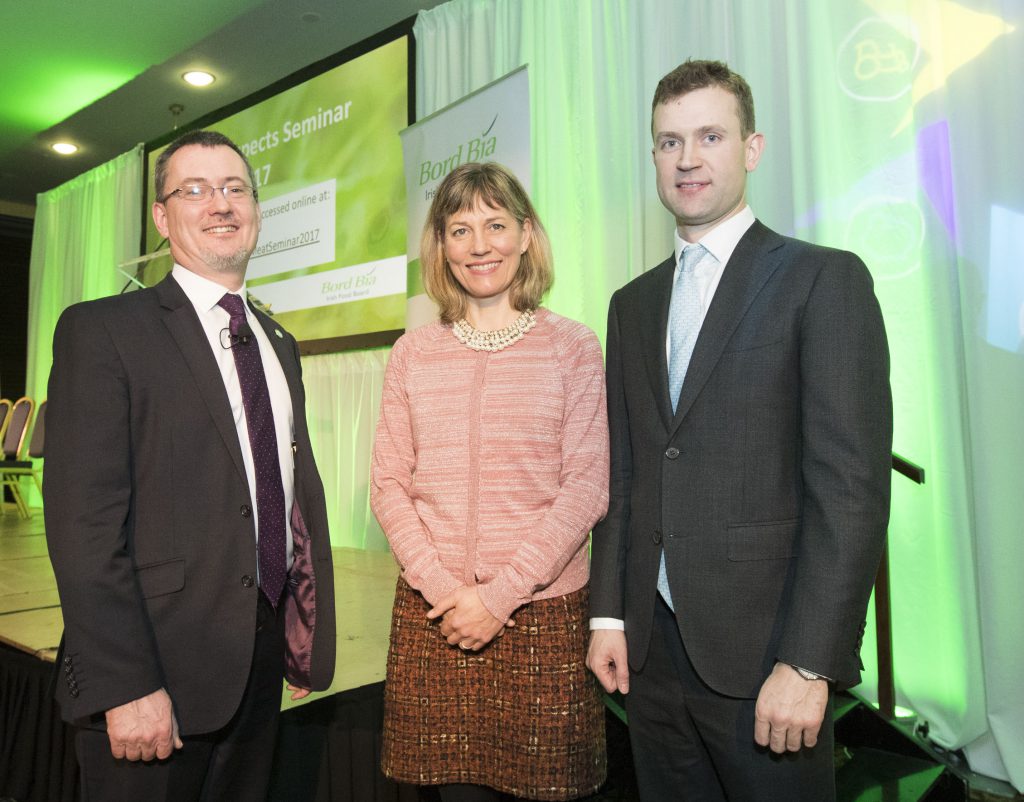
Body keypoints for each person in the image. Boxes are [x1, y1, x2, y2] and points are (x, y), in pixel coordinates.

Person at [586, 60, 893, 801]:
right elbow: (625, 473)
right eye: (669, 141)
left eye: (709, 135)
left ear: (751, 148)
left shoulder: (823, 280)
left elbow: (849, 490)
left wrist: (810, 663)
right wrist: (608, 616)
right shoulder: (631, 305)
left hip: (767, 664)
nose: (687, 158)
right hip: (651, 661)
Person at [44, 129, 335, 802]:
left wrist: (296, 633)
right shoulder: (104, 330)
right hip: (152, 684)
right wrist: (127, 684)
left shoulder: (278, 342)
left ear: (257, 211)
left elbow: (280, 497)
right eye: (194, 190)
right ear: (161, 216)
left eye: (235, 188)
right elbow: (82, 528)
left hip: (255, 679)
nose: (220, 204)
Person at [371, 162, 609, 802]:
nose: (480, 246)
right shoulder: (412, 354)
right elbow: (389, 486)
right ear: (440, 245)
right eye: (460, 229)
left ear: (526, 234)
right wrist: (449, 592)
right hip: (436, 615)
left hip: (542, 616)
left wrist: (499, 597)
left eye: (496, 225)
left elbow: (587, 488)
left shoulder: (574, 348)